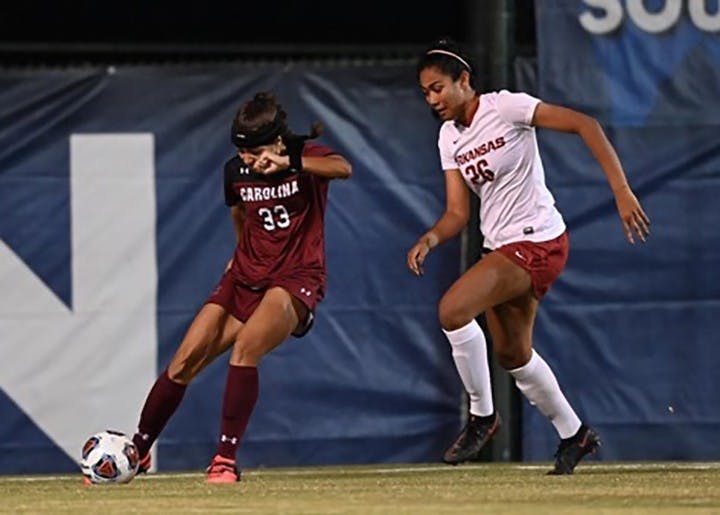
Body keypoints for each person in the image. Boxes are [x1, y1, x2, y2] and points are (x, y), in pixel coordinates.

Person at [406, 38, 650, 475]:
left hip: (538, 241)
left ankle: (481, 416)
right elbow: (458, 212)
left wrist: (621, 190)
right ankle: (575, 435)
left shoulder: (505, 107)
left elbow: (585, 124)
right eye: (425, 93)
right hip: (501, 246)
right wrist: (430, 237)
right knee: (513, 356)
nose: (432, 99)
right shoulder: (449, 136)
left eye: (438, 87)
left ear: (464, 80)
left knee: (453, 310)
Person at [128, 91, 352, 483]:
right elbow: (239, 212)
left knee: (246, 347)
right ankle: (138, 451)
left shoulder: (304, 158)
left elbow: (343, 168)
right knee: (184, 360)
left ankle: (224, 459)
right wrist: (239, 252)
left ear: (278, 142)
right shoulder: (236, 171)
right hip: (245, 276)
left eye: (255, 151)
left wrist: (289, 161)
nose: (247, 160)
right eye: (242, 152)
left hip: (296, 278)